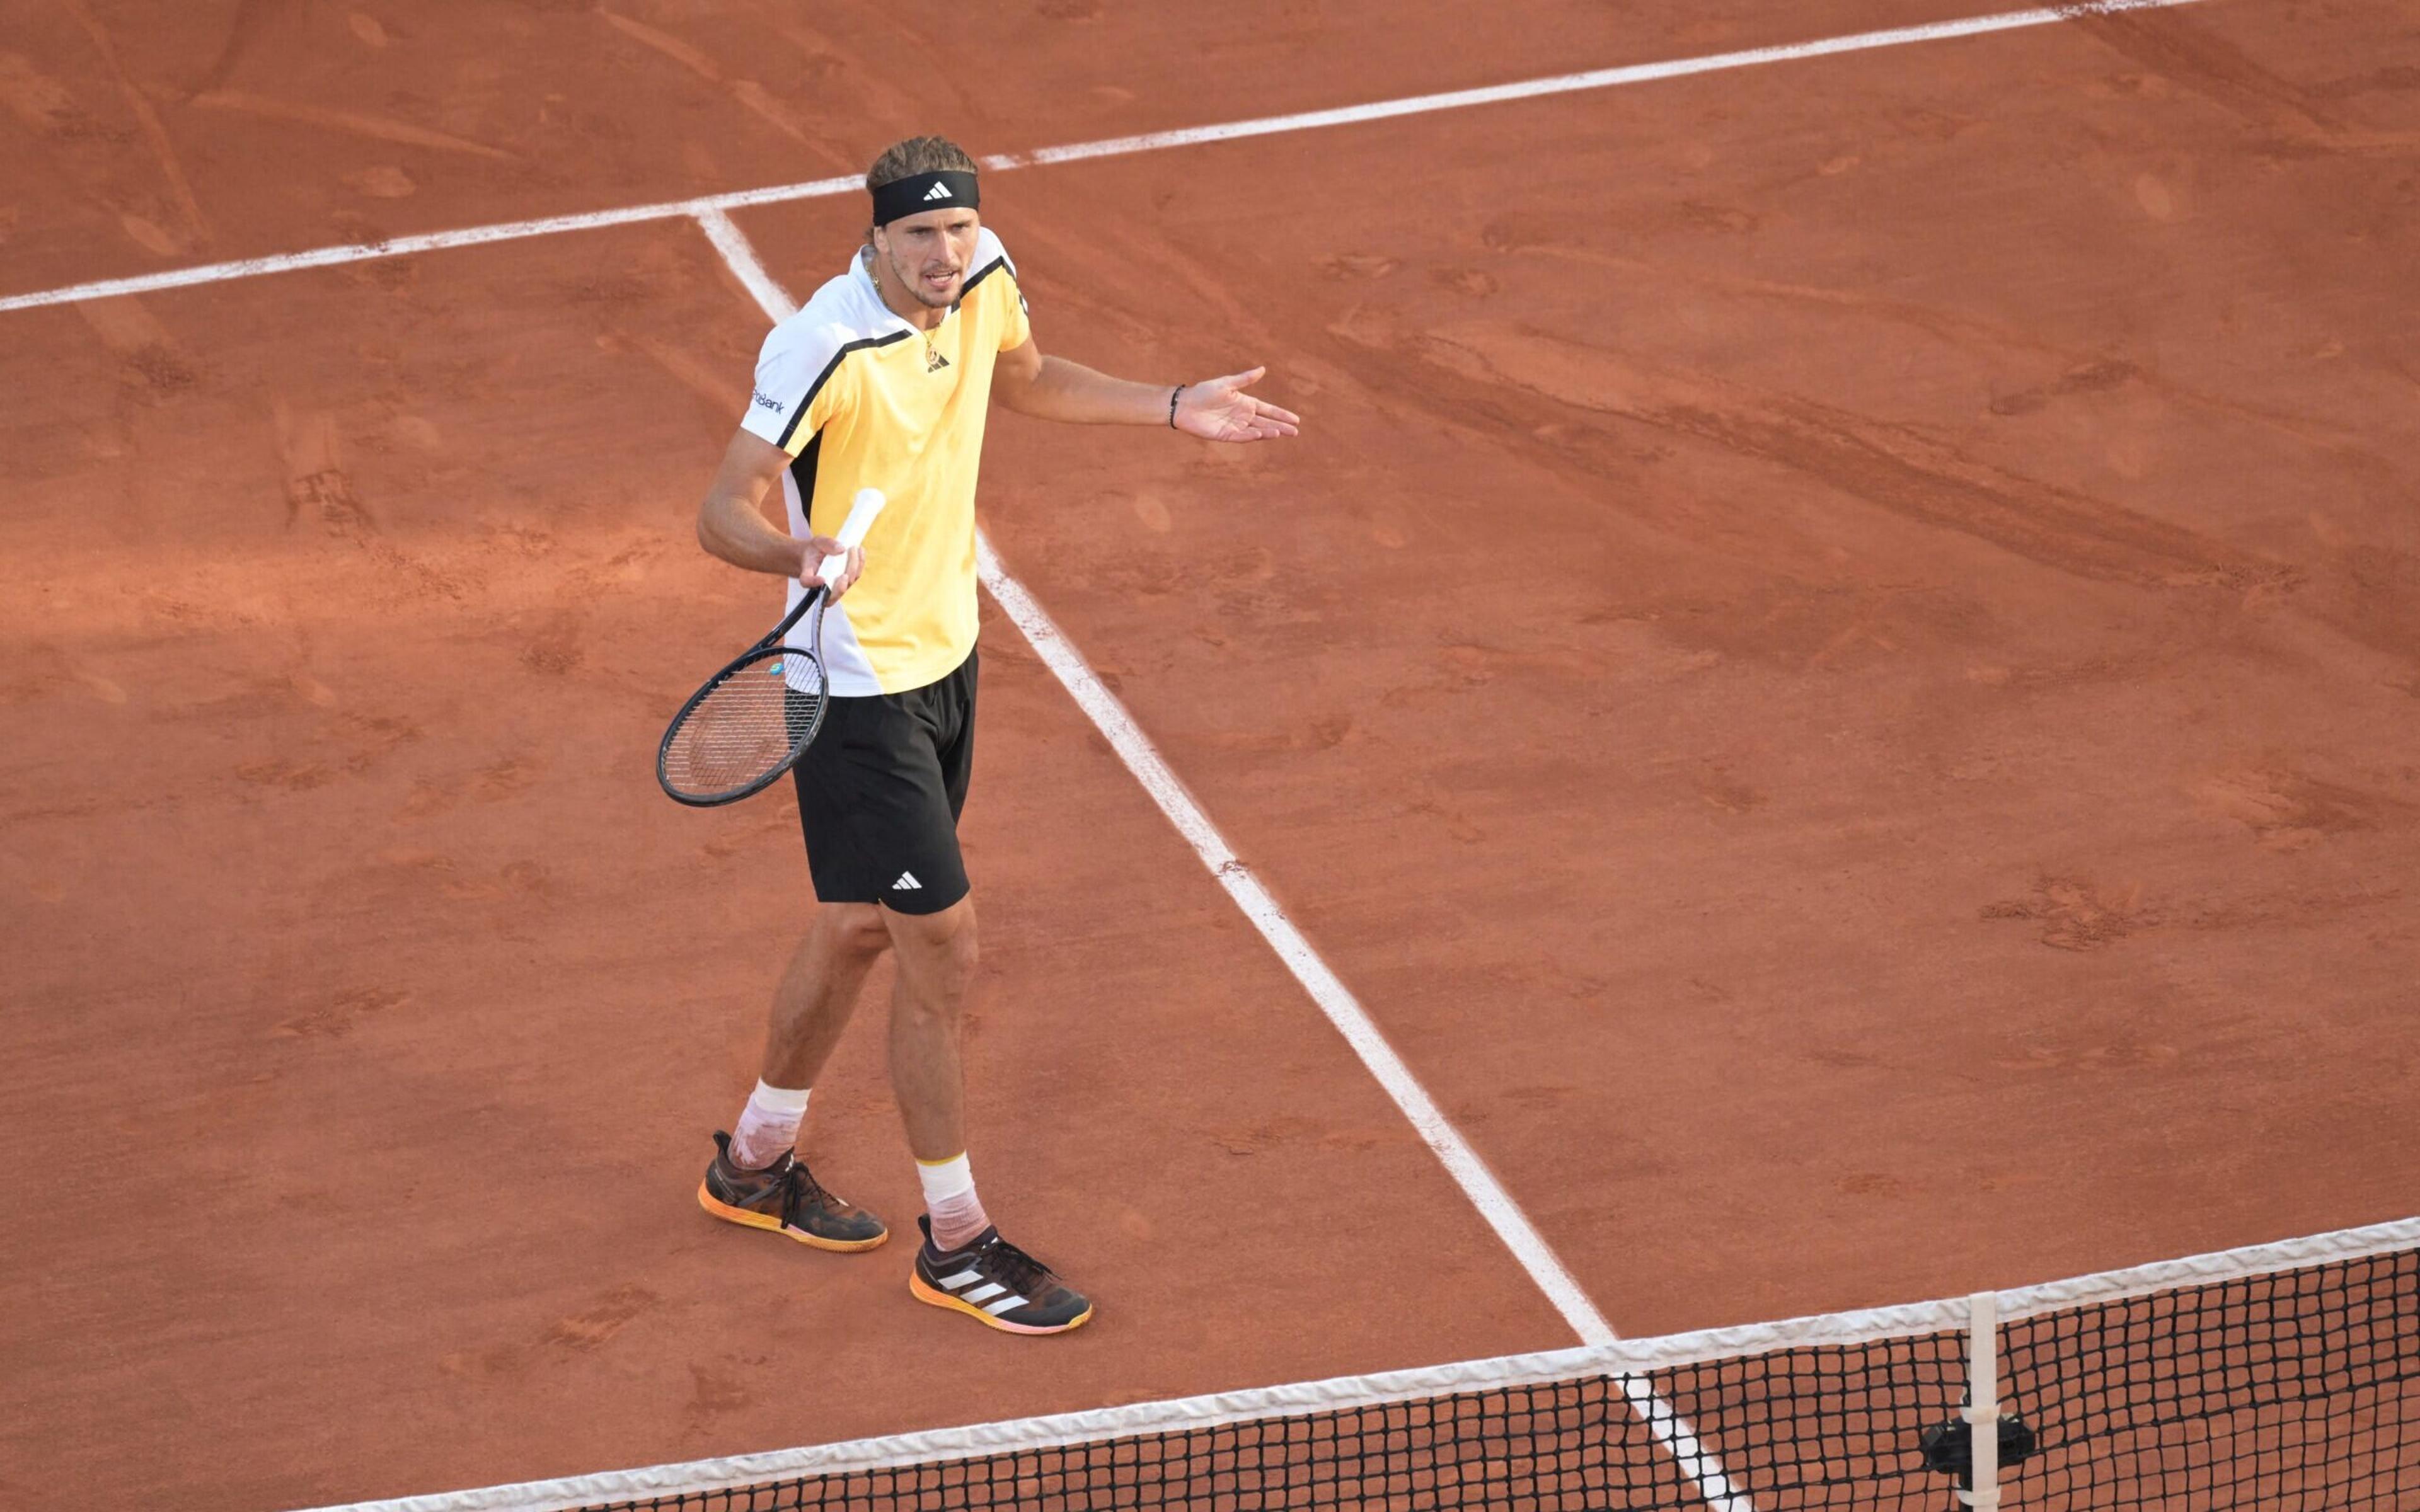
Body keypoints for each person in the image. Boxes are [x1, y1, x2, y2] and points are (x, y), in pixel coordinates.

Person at [688, 136, 1299, 1335]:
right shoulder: (823, 344)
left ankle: (754, 1163)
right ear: (872, 239)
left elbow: (1024, 377)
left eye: (957, 230)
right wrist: (794, 552)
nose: (943, 255)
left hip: (948, 657)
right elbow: (723, 510)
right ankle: (956, 1239)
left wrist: (1171, 407)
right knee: (942, 946)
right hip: (855, 682)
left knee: (864, 923)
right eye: (918, 236)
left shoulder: (982, 276)